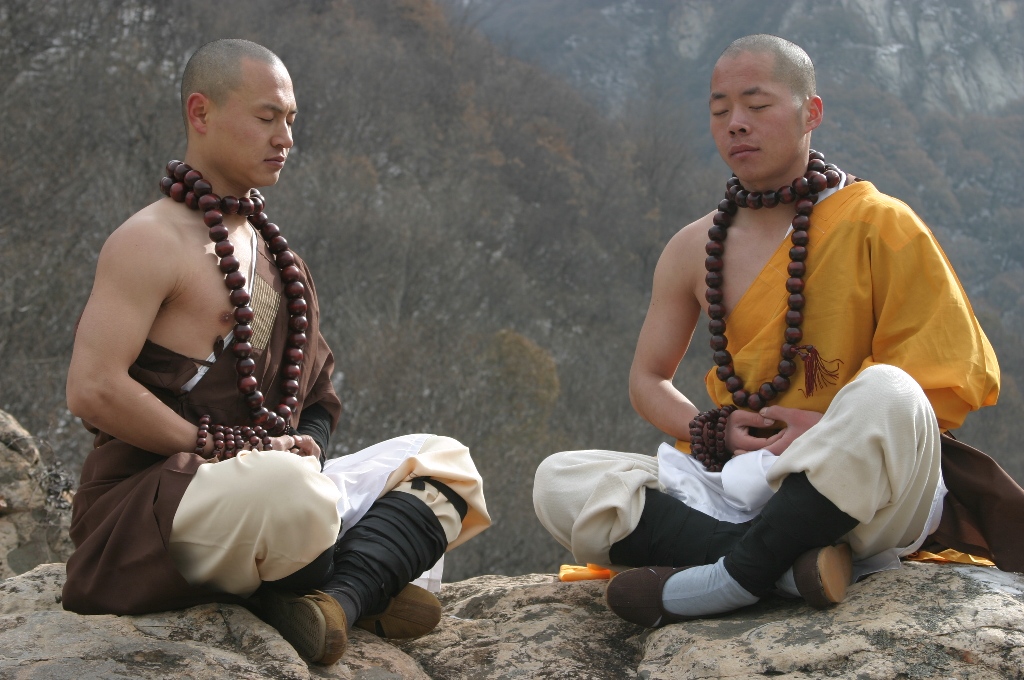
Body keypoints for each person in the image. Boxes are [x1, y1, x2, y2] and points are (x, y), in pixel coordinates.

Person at [533, 34, 1024, 628]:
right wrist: (711, 429)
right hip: (742, 477)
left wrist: (828, 427)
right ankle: (790, 568)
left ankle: (729, 577)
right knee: (560, 480)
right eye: (720, 111)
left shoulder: (878, 223)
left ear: (810, 112)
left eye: (757, 105)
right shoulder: (694, 247)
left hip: (863, 492)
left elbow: (944, 380)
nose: (736, 123)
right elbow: (648, 378)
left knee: (892, 392)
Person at [63, 39, 489, 665]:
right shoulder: (148, 240)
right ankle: (367, 579)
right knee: (287, 491)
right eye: (266, 118)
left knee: (447, 465)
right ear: (200, 113)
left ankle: (332, 604)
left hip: (271, 483)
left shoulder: (273, 251)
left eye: (290, 120)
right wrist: (224, 449)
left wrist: (305, 444)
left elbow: (314, 394)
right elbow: (93, 388)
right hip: (153, 504)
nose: (284, 138)